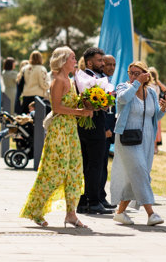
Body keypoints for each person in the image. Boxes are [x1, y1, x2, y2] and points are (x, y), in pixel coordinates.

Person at [20, 46, 93, 228]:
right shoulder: (58, 80)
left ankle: (71, 214)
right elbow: (57, 108)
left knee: (74, 171)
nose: (75, 61)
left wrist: (92, 103)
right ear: (63, 60)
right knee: (54, 171)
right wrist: (80, 112)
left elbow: (74, 103)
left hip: (71, 130)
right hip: (59, 130)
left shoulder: (71, 79)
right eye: (73, 58)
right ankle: (35, 210)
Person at [110, 61, 166, 226]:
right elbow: (122, 99)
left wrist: (162, 110)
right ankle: (151, 213)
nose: (133, 76)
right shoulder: (123, 87)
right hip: (127, 137)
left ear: (146, 74)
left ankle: (120, 212)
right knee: (141, 173)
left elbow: (153, 116)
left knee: (135, 175)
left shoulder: (150, 93)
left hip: (147, 138)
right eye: (131, 72)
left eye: (137, 73)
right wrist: (136, 83)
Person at [76, 47, 114, 215]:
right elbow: (87, 101)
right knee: (94, 165)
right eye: (100, 60)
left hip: (91, 125)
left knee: (90, 165)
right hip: (92, 127)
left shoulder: (98, 78)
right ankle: (93, 201)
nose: (103, 63)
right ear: (89, 62)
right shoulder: (86, 78)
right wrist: (101, 104)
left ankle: (84, 201)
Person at [148, 67, 166, 154]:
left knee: (155, 127)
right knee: (156, 128)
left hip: (155, 107)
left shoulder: (154, 85)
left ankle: (154, 146)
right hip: (154, 107)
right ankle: (154, 147)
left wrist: (158, 82)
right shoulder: (153, 85)